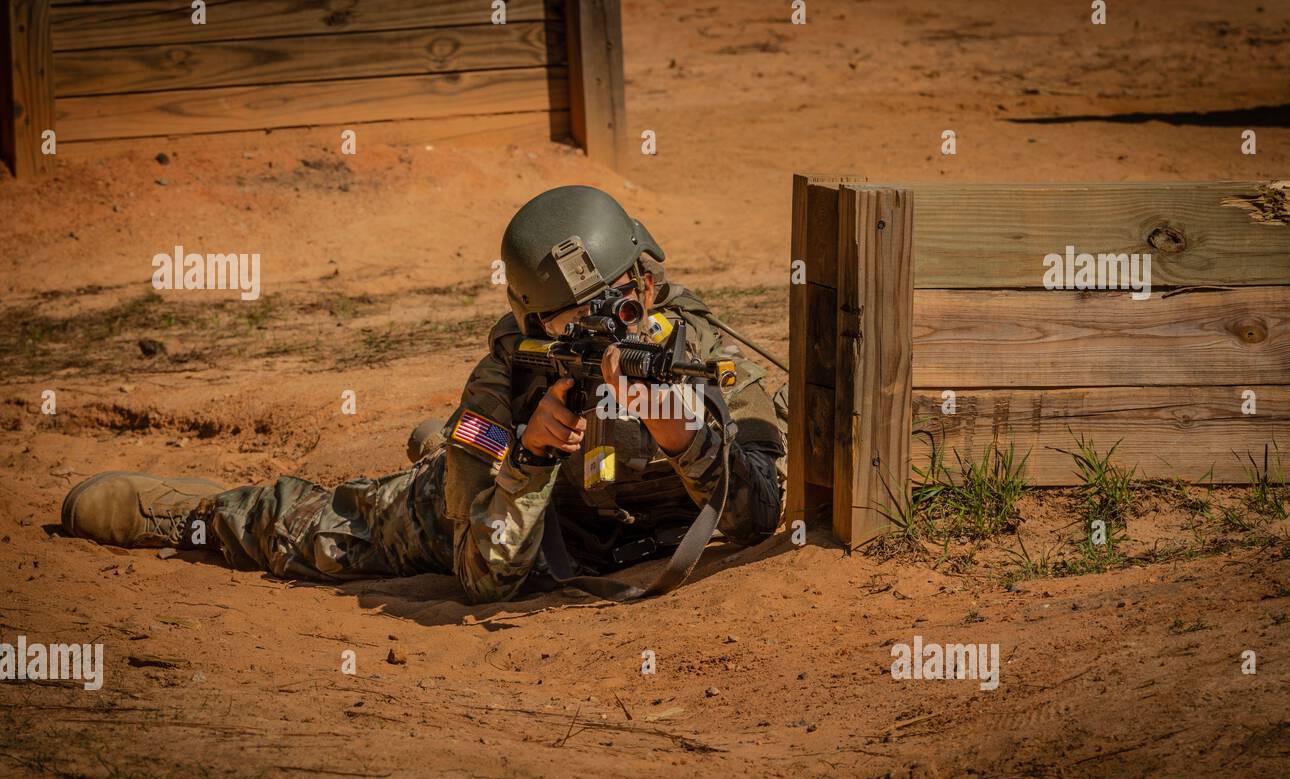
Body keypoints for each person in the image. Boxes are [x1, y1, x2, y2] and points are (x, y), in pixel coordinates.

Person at [61, 186, 787, 604]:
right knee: (320, 534)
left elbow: (760, 517)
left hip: (632, 534)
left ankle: (443, 444)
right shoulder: (505, 385)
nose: (608, 335)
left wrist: (688, 441)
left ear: (648, 287)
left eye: (620, 306)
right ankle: (188, 513)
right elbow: (482, 579)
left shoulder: (698, 354)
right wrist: (529, 456)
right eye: (577, 322)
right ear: (536, 324)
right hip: (498, 510)